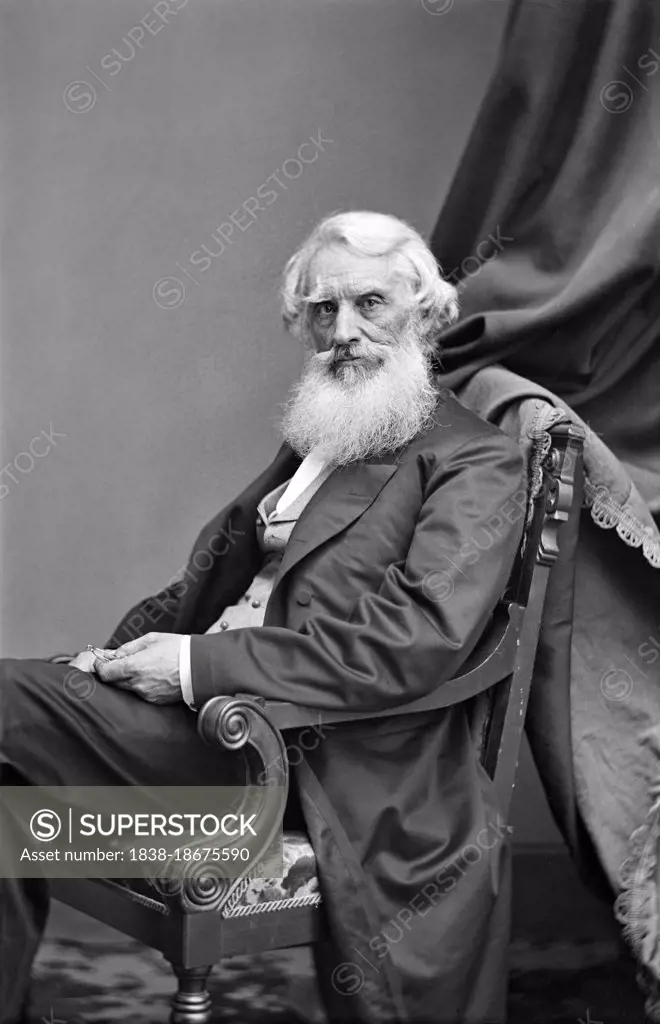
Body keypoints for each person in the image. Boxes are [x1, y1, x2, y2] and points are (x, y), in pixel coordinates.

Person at [0, 211, 527, 1024]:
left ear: (424, 312)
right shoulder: (326, 437)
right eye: (322, 310)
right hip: (205, 719)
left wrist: (187, 667)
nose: (343, 332)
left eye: (369, 304)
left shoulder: (475, 462)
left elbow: (410, 646)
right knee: (9, 804)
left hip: (309, 757)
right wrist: (105, 661)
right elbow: (207, 586)